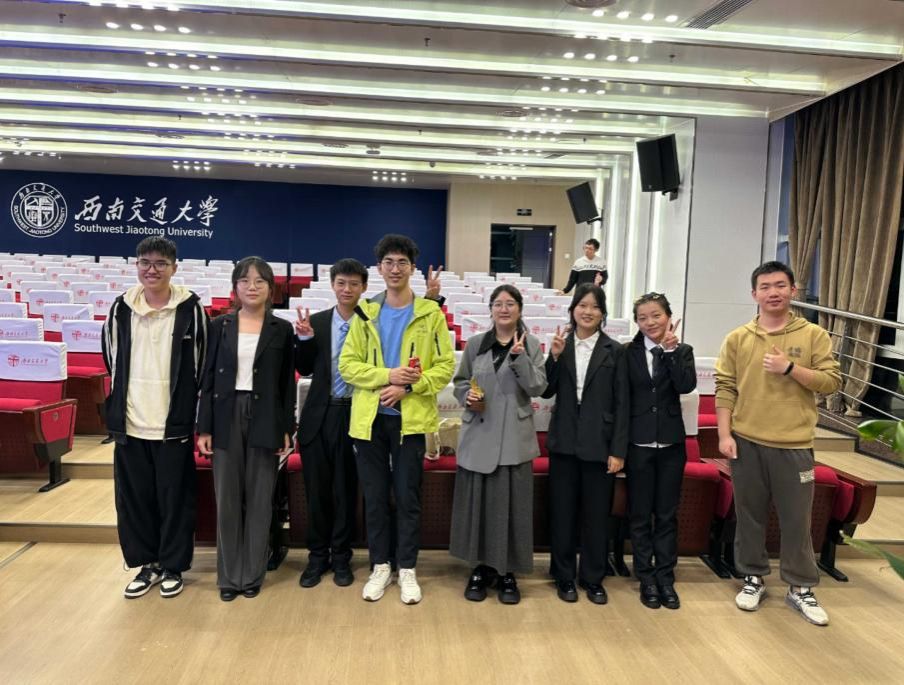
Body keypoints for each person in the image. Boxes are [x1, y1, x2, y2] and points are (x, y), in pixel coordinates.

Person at [715, 261, 841, 626]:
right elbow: (725, 387)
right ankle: (752, 578)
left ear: (793, 290)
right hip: (746, 441)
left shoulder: (814, 335)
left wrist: (790, 368)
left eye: (780, 285)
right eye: (766, 286)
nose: (773, 292)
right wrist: (724, 435)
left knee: (796, 520)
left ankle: (800, 586)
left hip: (794, 443)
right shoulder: (738, 338)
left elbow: (831, 382)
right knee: (749, 516)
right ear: (754, 294)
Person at [339, 234, 455, 605]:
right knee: (375, 498)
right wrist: (388, 376)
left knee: (407, 498)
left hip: (411, 420)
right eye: (388, 262)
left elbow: (445, 367)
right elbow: (348, 366)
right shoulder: (365, 312)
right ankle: (380, 566)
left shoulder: (430, 314)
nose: (395, 268)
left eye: (402, 262)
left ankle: (407, 568)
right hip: (369, 420)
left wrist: (409, 387)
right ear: (379, 268)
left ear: (412, 268)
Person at [101, 237, 208, 599]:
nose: (152, 269)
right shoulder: (121, 308)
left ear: (174, 268)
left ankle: (173, 566)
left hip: (172, 424)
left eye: (161, 263)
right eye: (145, 262)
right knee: (135, 500)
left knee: (175, 499)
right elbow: (111, 359)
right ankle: (148, 564)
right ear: (136, 266)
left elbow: (201, 363)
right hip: (131, 422)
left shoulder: (190, 308)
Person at [196, 257, 295, 602]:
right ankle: (229, 576)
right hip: (225, 414)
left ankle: (251, 574)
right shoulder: (219, 325)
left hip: (265, 415)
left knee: (260, 497)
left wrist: (286, 428)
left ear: (270, 288)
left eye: (259, 281)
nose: (252, 287)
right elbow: (207, 378)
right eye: (245, 281)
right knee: (227, 497)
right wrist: (204, 427)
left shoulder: (281, 329)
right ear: (235, 288)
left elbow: (286, 385)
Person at [450, 284, 546, 605]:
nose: (504, 309)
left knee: (512, 509)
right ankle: (479, 568)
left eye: (510, 304)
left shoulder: (531, 344)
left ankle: (508, 572)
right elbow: (460, 382)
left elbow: (537, 387)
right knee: (479, 507)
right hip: (479, 433)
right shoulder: (477, 343)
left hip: (513, 439)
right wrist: (467, 396)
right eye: (498, 304)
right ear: (490, 309)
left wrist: (519, 358)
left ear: (520, 309)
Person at [542, 283, 628, 604]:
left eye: (594, 307)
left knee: (596, 516)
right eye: (582, 305)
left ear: (603, 313)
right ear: (572, 309)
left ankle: (593, 578)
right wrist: (553, 357)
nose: (587, 312)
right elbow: (546, 391)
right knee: (562, 513)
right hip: (564, 442)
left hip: (600, 445)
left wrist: (618, 450)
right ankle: (563, 575)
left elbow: (623, 404)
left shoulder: (615, 351)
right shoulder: (560, 345)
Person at [293, 258, 369, 589]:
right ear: (332, 285)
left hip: (355, 415)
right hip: (319, 416)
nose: (347, 289)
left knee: (346, 491)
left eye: (353, 284)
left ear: (363, 287)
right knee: (317, 492)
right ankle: (316, 557)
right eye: (341, 283)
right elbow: (305, 369)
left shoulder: (370, 322)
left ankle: (341, 557)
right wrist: (305, 340)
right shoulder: (318, 322)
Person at [624, 292, 696, 610]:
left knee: (667, 515)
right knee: (640, 515)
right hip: (637, 444)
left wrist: (669, 353)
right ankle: (646, 577)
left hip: (670, 445)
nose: (650, 322)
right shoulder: (627, 352)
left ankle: (666, 577)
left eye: (656, 315)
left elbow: (685, 385)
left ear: (668, 316)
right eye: (643, 318)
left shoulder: (682, 351)